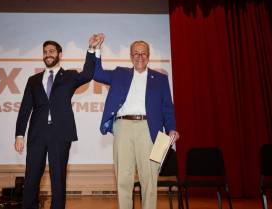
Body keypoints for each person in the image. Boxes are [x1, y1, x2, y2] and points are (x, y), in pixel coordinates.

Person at [14, 34, 102, 209]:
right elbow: (25, 109)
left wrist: (91, 49)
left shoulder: (69, 76)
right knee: (31, 177)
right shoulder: (33, 80)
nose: (48, 54)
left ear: (60, 55)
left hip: (60, 134)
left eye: (52, 51)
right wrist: (19, 134)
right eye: (45, 52)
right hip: (37, 134)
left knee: (58, 178)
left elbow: (88, 74)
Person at [93, 35, 179, 209]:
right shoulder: (119, 74)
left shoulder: (160, 79)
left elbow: (167, 107)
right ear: (131, 56)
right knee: (123, 178)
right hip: (123, 127)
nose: (140, 57)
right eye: (136, 53)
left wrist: (171, 128)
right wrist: (96, 49)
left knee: (149, 177)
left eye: (143, 53)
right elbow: (97, 73)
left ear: (148, 56)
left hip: (149, 129)